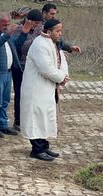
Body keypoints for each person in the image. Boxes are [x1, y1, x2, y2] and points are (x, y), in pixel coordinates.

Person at [20, 19, 69, 161]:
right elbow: (46, 68)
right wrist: (61, 77)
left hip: (47, 89)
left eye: (61, 31)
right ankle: (37, 149)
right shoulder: (39, 44)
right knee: (36, 119)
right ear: (49, 32)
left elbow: (62, 61)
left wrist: (64, 76)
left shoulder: (54, 44)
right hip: (36, 89)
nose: (60, 34)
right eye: (57, 31)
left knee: (45, 118)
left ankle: (44, 146)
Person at [10, 9, 42, 130]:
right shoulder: (18, 29)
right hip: (20, 66)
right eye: (35, 23)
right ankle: (18, 120)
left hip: (33, 66)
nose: (37, 25)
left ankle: (30, 118)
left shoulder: (38, 30)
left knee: (32, 94)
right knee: (20, 94)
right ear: (29, 21)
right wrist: (25, 33)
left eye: (39, 23)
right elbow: (18, 46)